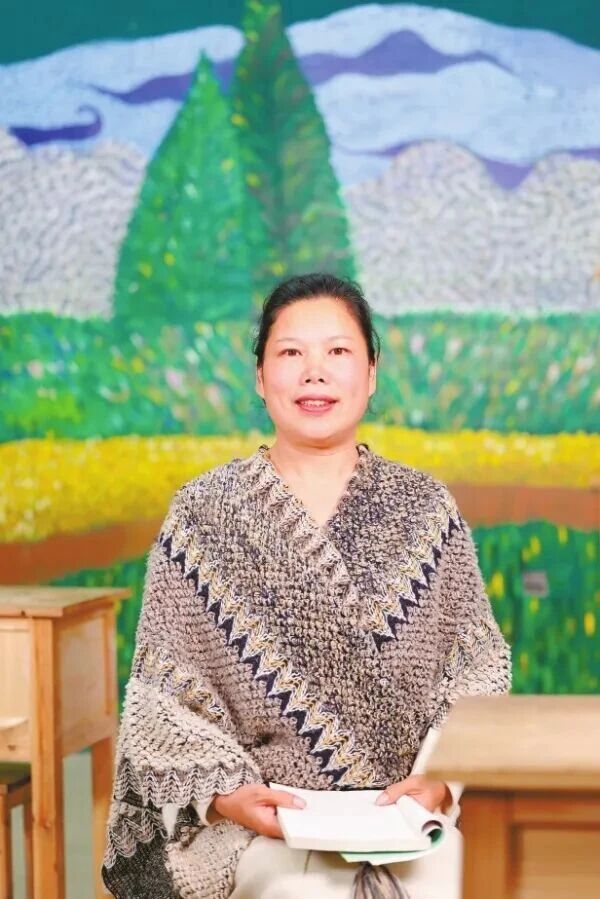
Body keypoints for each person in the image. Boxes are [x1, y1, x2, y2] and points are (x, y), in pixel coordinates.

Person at [102, 273, 512, 899]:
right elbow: (162, 702)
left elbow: (478, 669)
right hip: (262, 828)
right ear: (260, 377)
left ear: (371, 374)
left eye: (338, 351)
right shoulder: (203, 515)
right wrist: (228, 796)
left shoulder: (426, 510)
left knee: (449, 882)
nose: (314, 372)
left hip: (404, 818)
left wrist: (439, 781)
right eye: (291, 352)